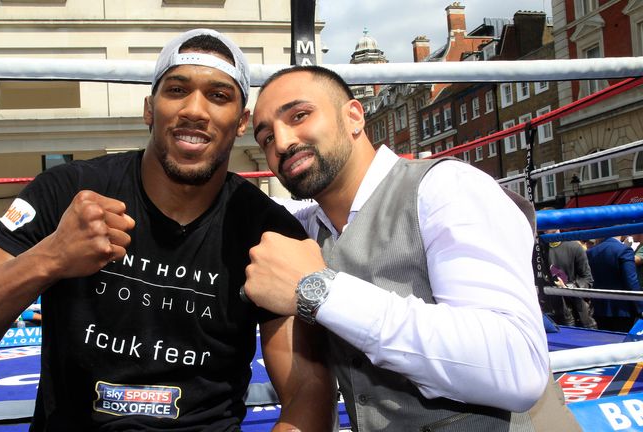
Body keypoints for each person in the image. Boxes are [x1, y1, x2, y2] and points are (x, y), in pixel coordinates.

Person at [0, 30, 334, 431]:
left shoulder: (268, 231)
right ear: (149, 109)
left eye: (218, 96)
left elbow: (307, 388)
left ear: (241, 121)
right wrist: (51, 258)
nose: (194, 109)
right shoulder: (67, 191)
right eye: (176, 90)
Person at [244, 65, 580, 431]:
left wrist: (321, 290)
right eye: (265, 138)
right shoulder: (308, 228)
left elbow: (518, 367)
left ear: (354, 116)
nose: (281, 141)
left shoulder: (447, 189)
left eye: (300, 115)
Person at [586, 236, 643, 332]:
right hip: (623, 310)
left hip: (599, 307)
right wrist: (640, 307)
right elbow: (631, 281)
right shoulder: (624, 250)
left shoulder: (591, 251)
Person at [542, 228, 597, 328]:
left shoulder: (574, 247)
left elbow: (587, 279)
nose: (544, 228)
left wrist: (567, 287)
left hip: (576, 314)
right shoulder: (539, 250)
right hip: (549, 315)